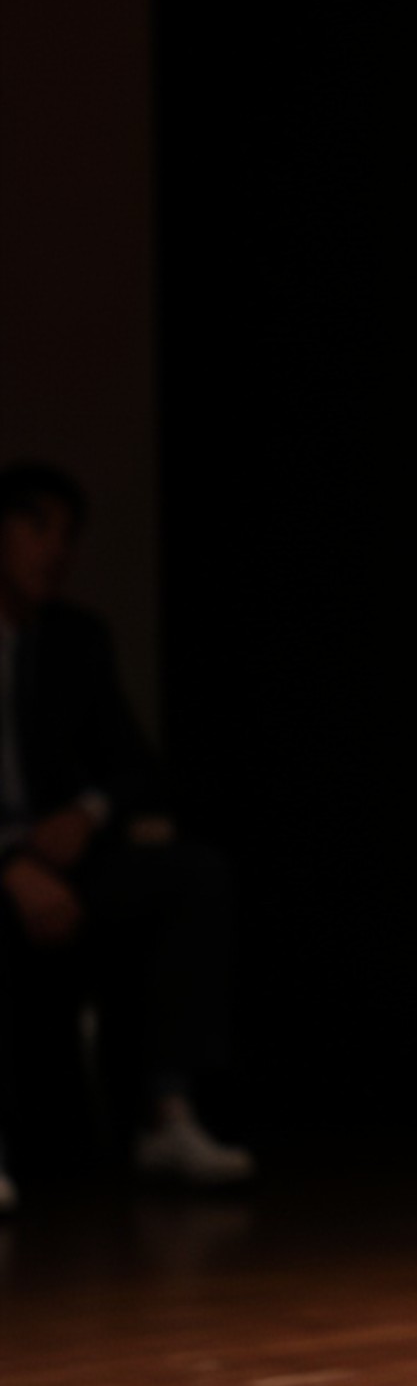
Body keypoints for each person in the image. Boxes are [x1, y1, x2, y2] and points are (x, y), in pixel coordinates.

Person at [0, 462, 253, 1202]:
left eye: (68, 534)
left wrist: (88, 812)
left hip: (64, 858)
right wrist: (8, 863)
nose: (58, 550)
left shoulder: (76, 639)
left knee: (192, 874)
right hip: (4, 867)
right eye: (38, 527)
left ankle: (166, 1111)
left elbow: (138, 767)